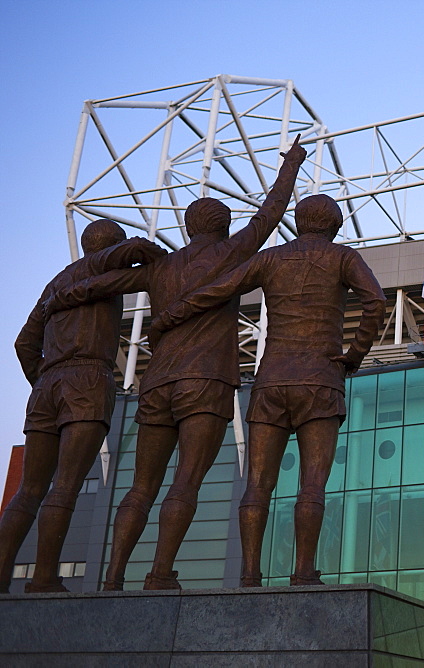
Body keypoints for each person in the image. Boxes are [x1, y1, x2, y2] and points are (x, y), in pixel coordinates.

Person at [44, 136, 307, 590]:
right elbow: (271, 212)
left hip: (156, 383)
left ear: (187, 229)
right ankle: (160, 572)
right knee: (186, 480)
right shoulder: (232, 252)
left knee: (140, 486)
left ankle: (112, 575)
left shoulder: (160, 267)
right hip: (204, 381)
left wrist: (62, 294)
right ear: (224, 228)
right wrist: (291, 165)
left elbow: (99, 284)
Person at [152, 194, 385, 586]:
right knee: (312, 481)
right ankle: (303, 570)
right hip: (319, 379)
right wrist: (353, 355)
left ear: (298, 221)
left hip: (271, 381)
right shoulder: (343, 257)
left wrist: (167, 318)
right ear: (335, 226)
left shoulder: (270, 258)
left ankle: (248, 573)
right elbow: (375, 302)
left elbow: (216, 290)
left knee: (257, 484)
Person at [1, 221, 165, 593]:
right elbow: (136, 248)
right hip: (86, 379)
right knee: (66, 487)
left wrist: (42, 378)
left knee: (28, 490)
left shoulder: (55, 283)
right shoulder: (97, 266)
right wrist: (165, 260)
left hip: (47, 384)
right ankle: (43, 579)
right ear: (108, 248)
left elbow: (23, 343)